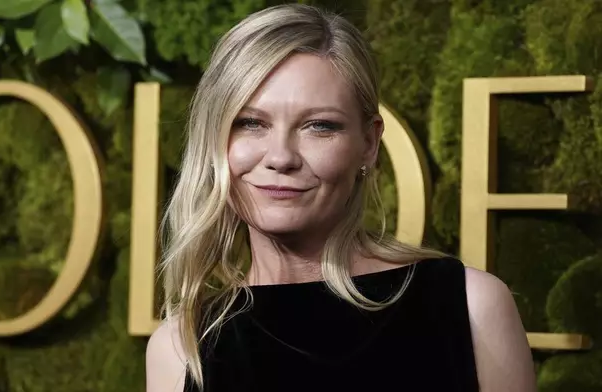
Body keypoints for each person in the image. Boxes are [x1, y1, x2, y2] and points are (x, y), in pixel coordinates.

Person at [146, 4, 537, 392]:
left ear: (369, 143)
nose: (281, 157)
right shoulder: (181, 348)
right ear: (214, 140)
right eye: (250, 123)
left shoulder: (470, 307)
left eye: (319, 126)